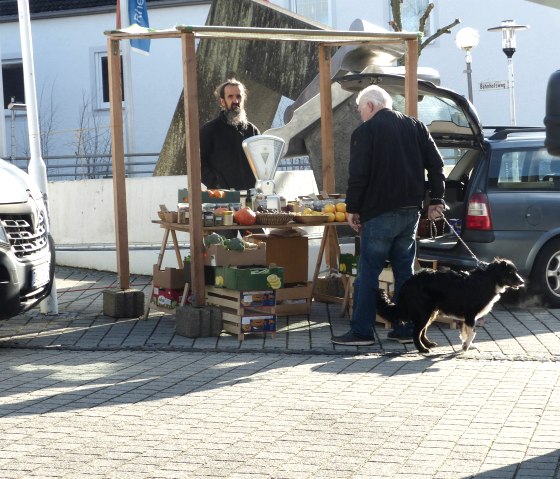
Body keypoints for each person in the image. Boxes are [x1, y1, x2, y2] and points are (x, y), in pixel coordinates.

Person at [331, 85, 446, 346]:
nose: (361, 116)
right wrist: (436, 199)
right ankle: (406, 329)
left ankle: (361, 331)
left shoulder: (365, 131)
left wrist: (352, 208)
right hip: (411, 213)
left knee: (369, 272)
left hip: (380, 213)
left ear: (370, 106)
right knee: (404, 271)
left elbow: (358, 175)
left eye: (361, 111)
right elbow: (436, 165)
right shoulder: (416, 126)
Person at [200, 78, 260, 191]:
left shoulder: (252, 131)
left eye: (238, 96)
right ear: (222, 101)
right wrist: (216, 184)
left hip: (250, 195)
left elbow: (261, 163)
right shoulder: (209, 130)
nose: (235, 100)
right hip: (222, 198)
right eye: (230, 96)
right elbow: (198, 164)